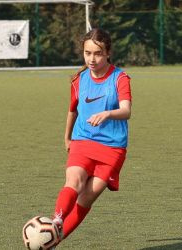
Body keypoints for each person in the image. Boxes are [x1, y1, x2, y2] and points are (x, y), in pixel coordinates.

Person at [51, 28, 132, 247]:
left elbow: (126, 110)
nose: (92, 59)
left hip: (112, 148)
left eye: (97, 53)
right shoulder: (78, 80)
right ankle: (56, 221)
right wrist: (67, 138)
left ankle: (52, 241)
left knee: (85, 198)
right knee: (74, 181)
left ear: (108, 53)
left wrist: (108, 113)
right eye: (88, 53)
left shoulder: (120, 78)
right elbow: (72, 110)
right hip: (83, 141)